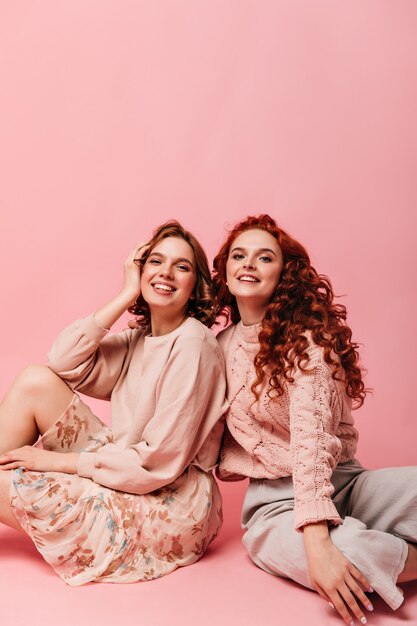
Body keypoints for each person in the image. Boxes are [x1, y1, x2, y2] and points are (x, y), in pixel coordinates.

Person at [212, 214, 417, 625]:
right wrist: (320, 547)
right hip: (274, 509)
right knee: (348, 558)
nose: (249, 264)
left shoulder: (306, 341)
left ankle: (364, 540)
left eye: (264, 257)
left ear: (284, 275)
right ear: (226, 271)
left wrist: (318, 539)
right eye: (239, 255)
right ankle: (375, 548)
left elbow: (311, 439)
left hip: (345, 480)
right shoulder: (215, 347)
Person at [0, 220, 227, 585]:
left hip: (170, 498)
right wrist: (125, 295)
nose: (166, 272)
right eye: (155, 261)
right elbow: (61, 361)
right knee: (34, 380)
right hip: (124, 460)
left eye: (181, 266)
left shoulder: (193, 345)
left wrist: (53, 461)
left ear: (195, 285)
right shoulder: (139, 339)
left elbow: (157, 463)